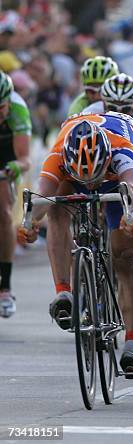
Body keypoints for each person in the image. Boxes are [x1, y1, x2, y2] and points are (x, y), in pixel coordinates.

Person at [18, 114, 133, 379]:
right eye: (86, 179)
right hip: (74, 172)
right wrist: (30, 223)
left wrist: (130, 216)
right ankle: (64, 292)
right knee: (56, 210)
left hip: (117, 181)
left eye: (94, 177)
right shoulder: (58, 156)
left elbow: (132, 192)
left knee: (125, 254)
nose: (91, 185)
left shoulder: (123, 151)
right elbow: (41, 200)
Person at [82, 73, 133, 249]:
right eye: (112, 108)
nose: (118, 114)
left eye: (125, 109)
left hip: (129, 167)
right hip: (100, 164)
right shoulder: (89, 113)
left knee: (126, 251)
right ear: (103, 103)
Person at [0, 70, 31, 318]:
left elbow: (24, 159)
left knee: (3, 211)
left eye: (1, 108)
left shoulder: (18, 109)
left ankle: (5, 287)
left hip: (7, 156)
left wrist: (11, 169)